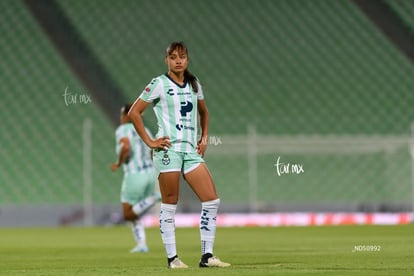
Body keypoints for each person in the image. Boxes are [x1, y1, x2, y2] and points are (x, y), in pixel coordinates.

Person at [128, 41, 230, 269]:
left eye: (182, 56)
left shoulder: (194, 84)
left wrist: (204, 139)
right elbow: (135, 112)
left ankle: (207, 256)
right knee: (170, 202)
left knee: (212, 200)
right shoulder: (159, 83)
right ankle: (173, 258)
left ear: (187, 59)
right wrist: (150, 141)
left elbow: (204, 112)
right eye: (173, 57)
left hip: (190, 150)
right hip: (168, 150)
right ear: (167, 60)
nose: (178, 60)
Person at [111, 104, 161, 253]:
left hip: (134, 175)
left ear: (127, 115)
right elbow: (154, 150)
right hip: (150, 173)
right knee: (135, 212)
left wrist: (118, 163)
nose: (121, 118)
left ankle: (155, 197)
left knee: (127, 214)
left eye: (122, 115)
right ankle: (142, 244)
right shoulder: (145, 130)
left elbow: (125, 147)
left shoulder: (123, 129)